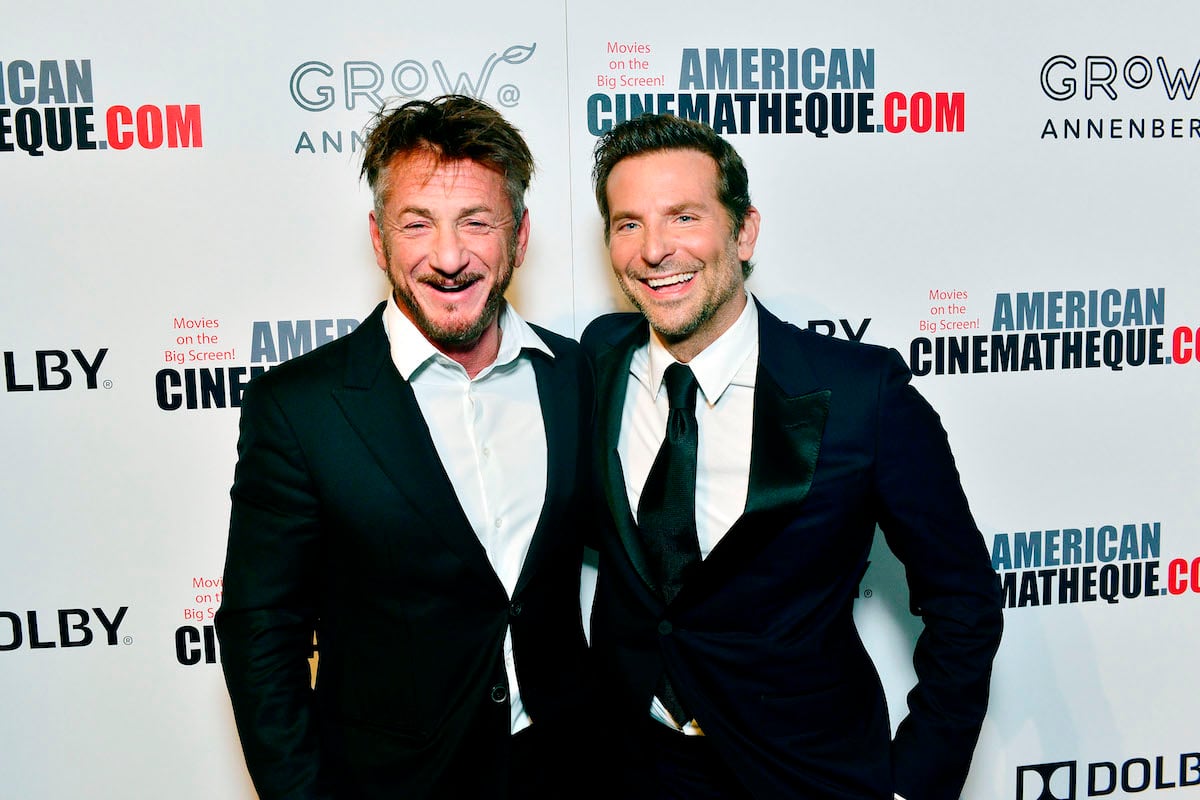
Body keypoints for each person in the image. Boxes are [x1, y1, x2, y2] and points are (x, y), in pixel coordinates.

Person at [581, 113, 1003, 800]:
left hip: (805, 773)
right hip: (628, 767)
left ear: (744, 231)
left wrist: (917, 781)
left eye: (684, 217)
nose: (654, 249)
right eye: (629, 223)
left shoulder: (862, 395)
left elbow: (965, 599)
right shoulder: (597, 360)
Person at [215, 94, 593, 800]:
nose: (448, 257)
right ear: (379, 238)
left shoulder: (577, 376)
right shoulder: (300, 407)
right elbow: (262, 631)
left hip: (566, 770)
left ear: (519, 236)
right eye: (417, 223)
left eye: (476, 222)